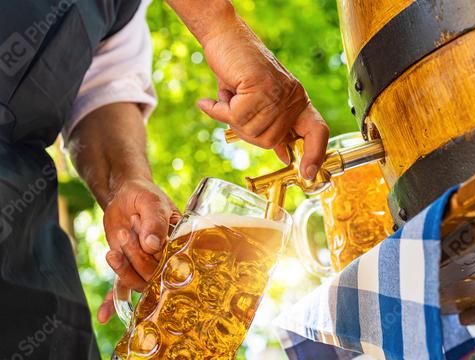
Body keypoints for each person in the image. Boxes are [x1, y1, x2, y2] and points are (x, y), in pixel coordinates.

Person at [0, 0, 329, 358]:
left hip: (29, 257)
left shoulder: (122, 11)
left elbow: (100, 86)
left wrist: (126, 183)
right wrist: (218, 25)